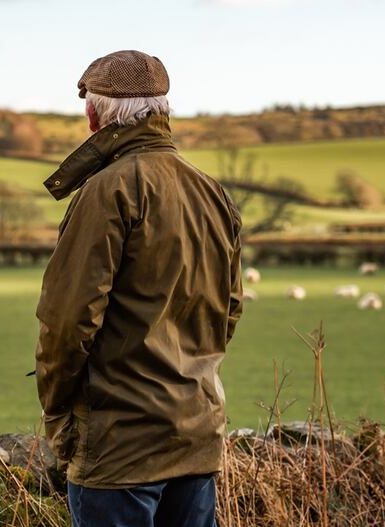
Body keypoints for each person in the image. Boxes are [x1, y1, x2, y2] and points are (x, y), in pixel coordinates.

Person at [35, 50, 243, 527]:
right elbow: (228, 310)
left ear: (94, 116)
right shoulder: (211, 192)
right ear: (163, 111)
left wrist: (58, 412)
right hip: (196, 436)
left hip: (119, 447)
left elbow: (68, 322)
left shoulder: (107, 191)